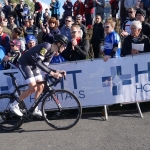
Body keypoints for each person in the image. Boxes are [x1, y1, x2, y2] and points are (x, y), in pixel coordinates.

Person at [9, 34, 68, 117]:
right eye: (64, 45)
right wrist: (53, 73)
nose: (65, 47)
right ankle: (14, 105)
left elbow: (45, 67)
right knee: (33, 88)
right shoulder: (47, 46)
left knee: (41, 86)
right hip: (24, 63)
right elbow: (38, 62)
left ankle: (35, 108)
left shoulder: (52, 53)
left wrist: (57, 71)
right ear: (59, 44)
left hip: (33, 65)